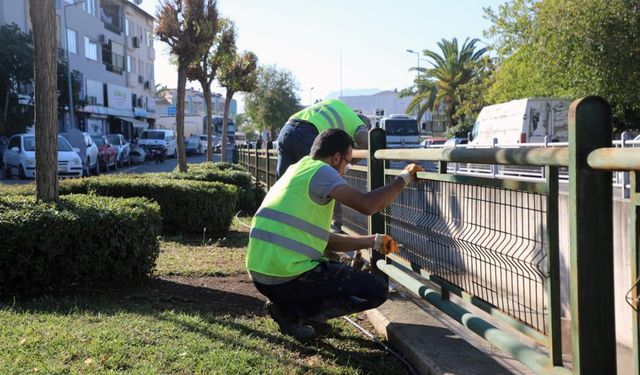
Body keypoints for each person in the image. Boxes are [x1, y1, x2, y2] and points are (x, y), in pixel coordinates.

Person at [246, 128, 424, 340]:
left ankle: (288, 308)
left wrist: (373, 241)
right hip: (286, 276)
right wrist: (405, 176)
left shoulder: (298, 168)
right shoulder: (323, 171)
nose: (347, 170)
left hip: (261, 274)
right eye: (348, 162)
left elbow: (322, 241)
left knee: (333, 272)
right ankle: (292, 314)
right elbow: (368, 205)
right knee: (376, 290)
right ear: (336, 158)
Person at [275, 99, 370, 178]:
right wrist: (346, 166)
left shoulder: (337, 104)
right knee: (319, 185)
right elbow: (366, 144)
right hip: (308, 133)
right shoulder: (358, 124)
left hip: (287, 129)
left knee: (283, 183)